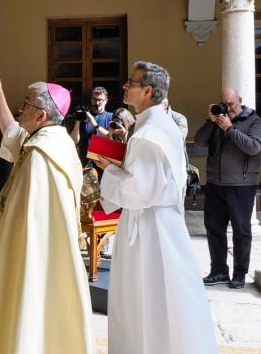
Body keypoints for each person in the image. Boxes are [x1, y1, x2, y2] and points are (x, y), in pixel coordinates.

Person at [0, 69, 93, 354]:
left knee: (25, 304)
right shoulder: (55, 140)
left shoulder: (39, 156)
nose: (21, 108)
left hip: (30, 254)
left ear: (41, 115)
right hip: (53, 254)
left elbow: (21, 218)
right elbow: (13, 133)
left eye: (27, 103)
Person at [93, 61, 217, 354]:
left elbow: (139, 191)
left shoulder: (149, 134)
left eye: (131, 83)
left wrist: (107, 169)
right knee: (163, 301)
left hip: (150, 231)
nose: (125, 87)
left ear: (147, 91)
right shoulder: (157, 125)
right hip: (158, 223)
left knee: (147, 301)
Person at [193, 87, 261, 289]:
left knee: (241, 231)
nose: (228, 108)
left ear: (240, 101)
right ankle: (218, 272)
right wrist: (211, 120)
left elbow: (254, 147)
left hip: (241, 185)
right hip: (215, 184)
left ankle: (240, 274)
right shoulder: (218, 121)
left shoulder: (254, 121)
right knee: (214, 229)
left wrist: (230, 128)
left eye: (231, 104)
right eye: (225, 104)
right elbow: (199, 142)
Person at [71, 87, 114, 165]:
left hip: (103, 164)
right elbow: (74, 141)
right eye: (94, 99)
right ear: (91, 100)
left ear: (106, 101)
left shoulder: (110, 117)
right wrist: (78, 120)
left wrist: (95, 125)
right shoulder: (85, 116)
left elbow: (112, 138)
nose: (97, 103)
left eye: (100, 100)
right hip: (84, 162)